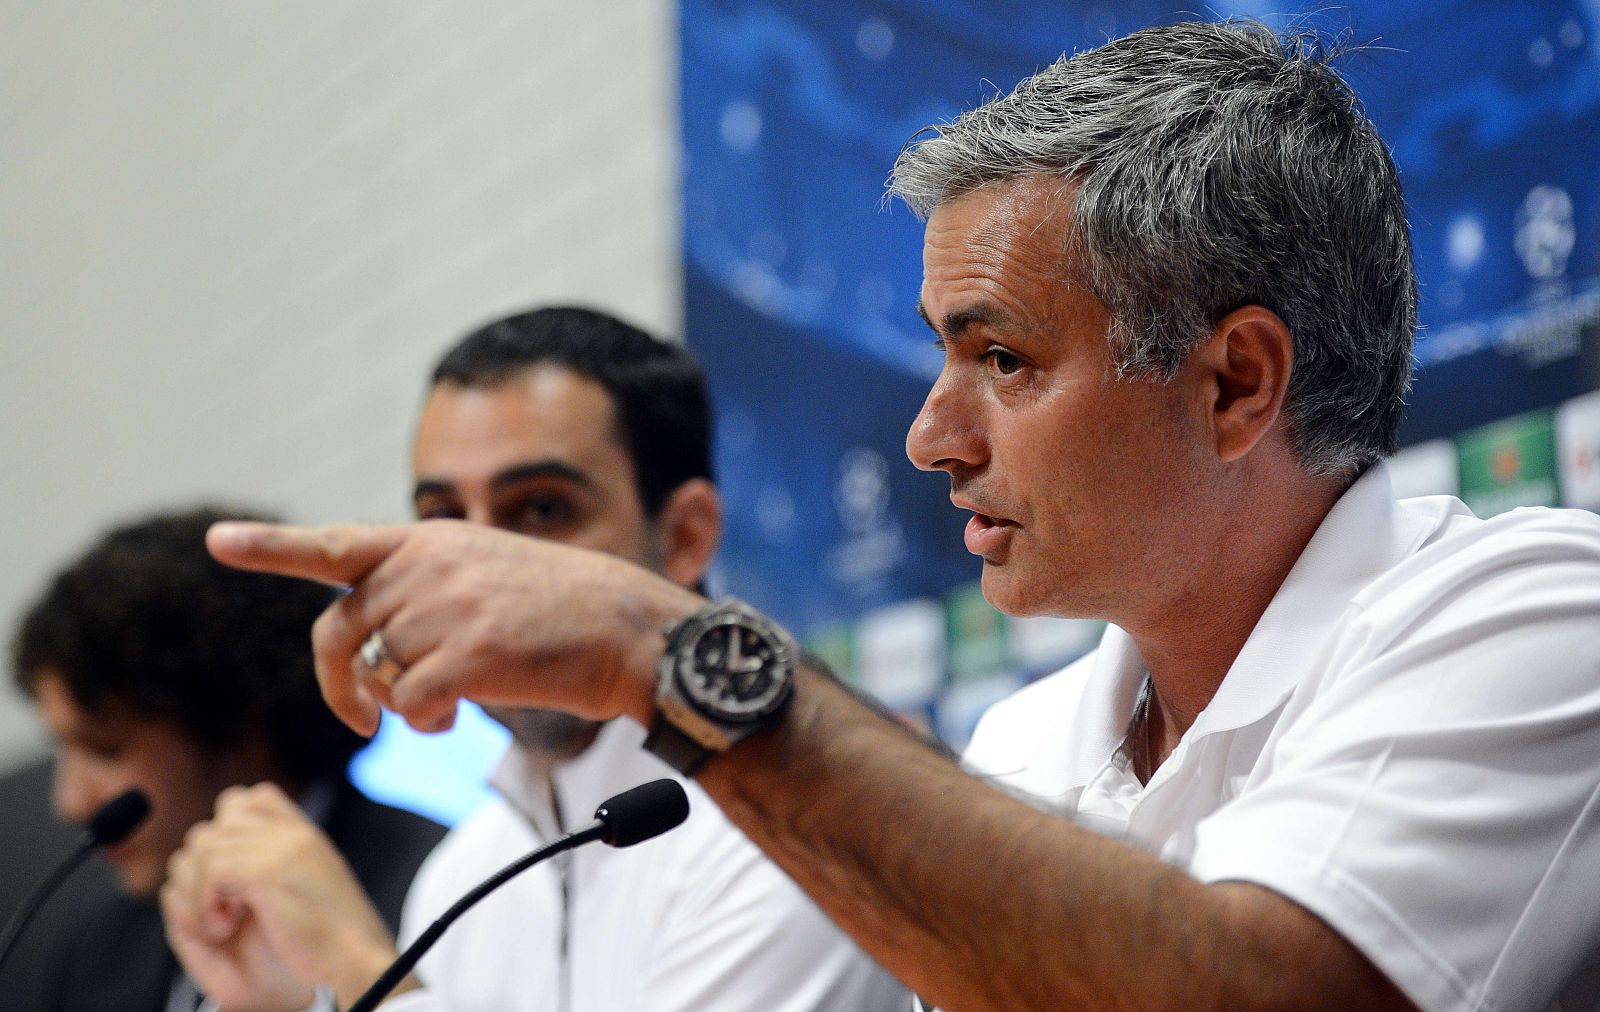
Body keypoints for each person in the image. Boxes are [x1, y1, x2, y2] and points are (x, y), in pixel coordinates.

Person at [203, 21, 1600, 1011]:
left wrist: (665, 651)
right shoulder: (1023, 742)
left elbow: (1253, 991)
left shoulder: (1537, 610)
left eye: (1002, 359)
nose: (931, 437)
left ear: (1235, 383)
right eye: (941, 356)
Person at [162, 307, 907, 1010]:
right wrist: (292, 998)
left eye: (543, 509)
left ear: (684, 537)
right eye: (443, 518)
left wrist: (358, 966)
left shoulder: (790, 827)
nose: (471, 565)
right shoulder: (464, 874)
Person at [2, 507, 446, 1012]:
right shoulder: (99, 950)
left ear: (236, 724)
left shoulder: (444, 889)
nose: (70, 802)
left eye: (107, 749)